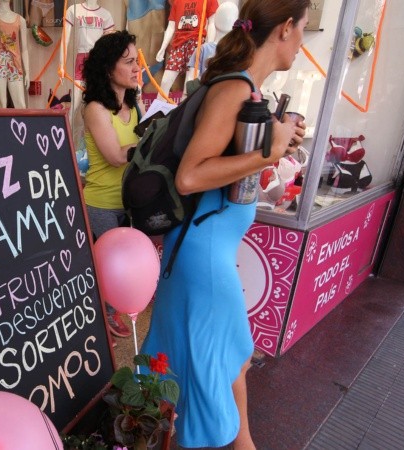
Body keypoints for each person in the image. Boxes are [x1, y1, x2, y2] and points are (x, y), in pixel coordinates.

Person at [139, 1, 309, 449]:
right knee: (207, 373)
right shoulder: (234, 89)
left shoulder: (243, 89)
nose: (303, 43)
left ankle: (242, 444)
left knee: (227, 362)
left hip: (205, 248)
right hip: (203, 255)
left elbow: (227, 164)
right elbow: (190, 175)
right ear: (286, 28)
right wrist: (268, 152)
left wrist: (275, 136)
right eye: (305, 30)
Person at [81, 30, 144, 338]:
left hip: (130, 201)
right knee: (108, 265)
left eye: (137, 61)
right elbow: (116, 157)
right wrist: (150, 142)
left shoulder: (134, 108)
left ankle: (112, 307)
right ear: (108, 69)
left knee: (125, 264)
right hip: (101, 202)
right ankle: (103, 315)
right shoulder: (95, 108)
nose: (136, 68)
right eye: (128, 62)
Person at [61, 0, 115, 119]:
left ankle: (90, 136)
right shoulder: (74, 10)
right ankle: (67, 135)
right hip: (82, 59)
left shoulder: (106, 15)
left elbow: (109, 46)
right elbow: (64, 40)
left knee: (98, 103)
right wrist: (61, 65)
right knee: (75, 102)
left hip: (98, 61)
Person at [155, 0, 218, 100]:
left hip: (196, 43)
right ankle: (158, 111)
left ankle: (183, 113)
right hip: (178, 44)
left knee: (189, 85)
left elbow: (212, 23)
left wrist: (208, 48)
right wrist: (162, 48)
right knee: (165, 82)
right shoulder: (177, 1)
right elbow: (171, 26)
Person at [0, 0, 30, 109]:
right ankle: (5, 125)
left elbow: (24, 49)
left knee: (21, 106)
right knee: (2, 105)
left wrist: (27, 72)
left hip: (15, 64)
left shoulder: (20, 20)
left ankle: (22, 126)